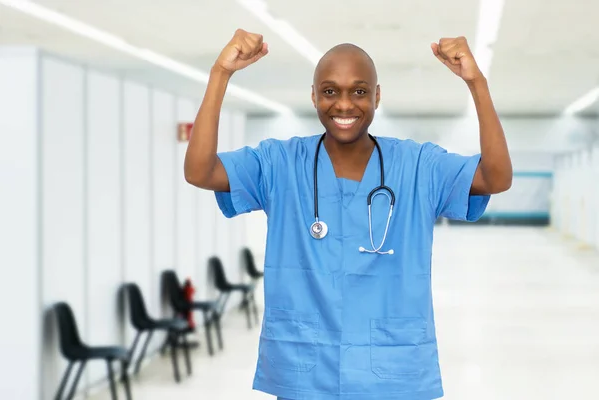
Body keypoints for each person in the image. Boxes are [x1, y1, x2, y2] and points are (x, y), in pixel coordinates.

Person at [184, 28, 512, 400]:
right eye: (329, 91)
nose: (344, 104)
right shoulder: (278, 163)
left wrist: (477, 83)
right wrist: (220, 74)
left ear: (377, 96)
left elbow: (495, 177)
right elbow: (200, 171)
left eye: (358, 91)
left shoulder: (418, 165)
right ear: (313, 96)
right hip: (307, 372)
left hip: (392, 375)